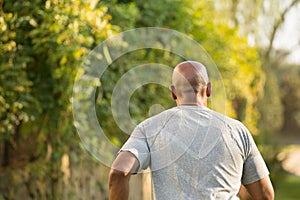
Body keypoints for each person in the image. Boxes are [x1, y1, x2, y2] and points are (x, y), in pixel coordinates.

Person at [108, 61, 274, 200]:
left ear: (173, 93)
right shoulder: (237, 130)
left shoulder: (149, 128)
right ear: (208, 89)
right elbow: (265, 194)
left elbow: (118, 172)